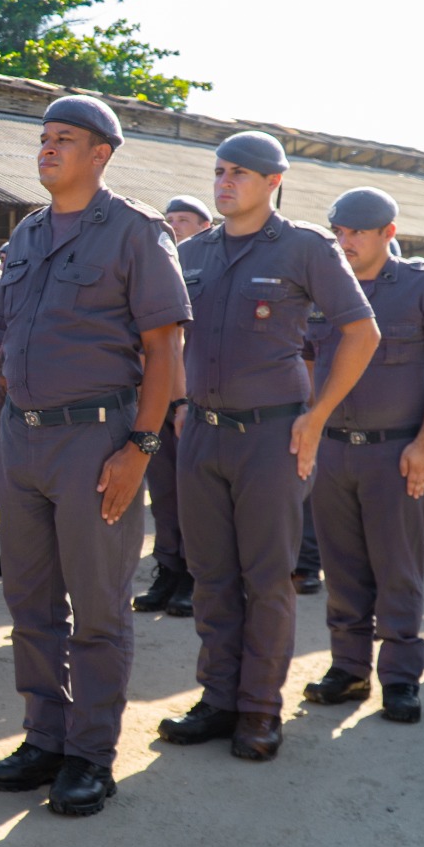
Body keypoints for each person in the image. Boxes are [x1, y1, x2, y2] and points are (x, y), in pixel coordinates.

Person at [0, 97, 188, 816]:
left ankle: (91, 755)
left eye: (63, 139)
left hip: (95, 440)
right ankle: (46, 737)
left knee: (97, 607)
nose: (47, 149)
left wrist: (141, 447)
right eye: (42, 139)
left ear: (101, 153)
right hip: (22, 439)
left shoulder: (135, 232)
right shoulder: (27, 235)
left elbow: (164, 350)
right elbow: (3, 348)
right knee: (29, 602)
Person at [159, 131, 378, 762]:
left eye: (241, 174)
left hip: (270, 435)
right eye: (220, 171)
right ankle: (217, 698)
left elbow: (361, 333)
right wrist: (177, 405)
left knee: (266, 577)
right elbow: (168, 336)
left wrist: (318, 417)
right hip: (202, 431)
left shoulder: (305, 247)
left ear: (273, 182)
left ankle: (258, 708)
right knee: (211, 575)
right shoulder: (193, 251)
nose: (225, 183)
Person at [301, 188, 424, 724]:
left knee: (398, 570)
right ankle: (349, 669)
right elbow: (306, 364)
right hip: (331, 453)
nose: (344, 242)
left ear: (387, 234)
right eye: (340, 232)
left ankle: (400, 677)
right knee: (342, 567)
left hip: (395, 452)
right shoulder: (320, 286)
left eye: (356, 233)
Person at [133, 196, 213, 615]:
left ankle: (195, 577)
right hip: (158, 398)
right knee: (163, 493)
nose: (175, 225)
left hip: (198, 399)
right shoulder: (159, 268)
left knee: (195, 496)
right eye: (171, 219)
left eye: (184, 220)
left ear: (205, 225)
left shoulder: (212, 268)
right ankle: (168, 569)